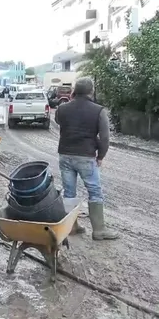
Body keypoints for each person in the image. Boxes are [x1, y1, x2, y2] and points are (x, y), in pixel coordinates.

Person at [55, 77, 118, 240]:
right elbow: (104, 137)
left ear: (74, 90)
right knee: (94, 191)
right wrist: (101, 155)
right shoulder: (98, 110)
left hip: (65, 154)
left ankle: (71, 226)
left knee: (69, 192)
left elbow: (58, 121)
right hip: (86, 155)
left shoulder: (63, 108)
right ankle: (99, 230)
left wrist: (70, 100)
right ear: (92, 91)